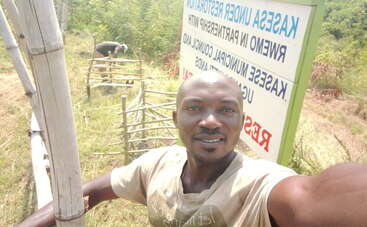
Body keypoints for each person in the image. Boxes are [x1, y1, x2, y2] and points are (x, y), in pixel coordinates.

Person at [18, 71, 367, 227]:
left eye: (226, 110)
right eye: (195, 108)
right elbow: (90, 193)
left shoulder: (259, 186)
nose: (211, 121)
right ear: (176, 118)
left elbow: (315, 194)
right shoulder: (159, 164)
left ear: (241, 122)